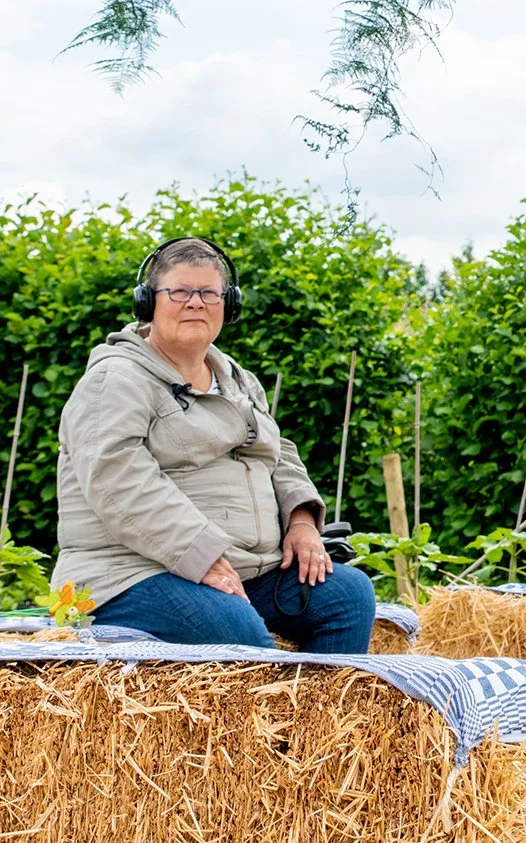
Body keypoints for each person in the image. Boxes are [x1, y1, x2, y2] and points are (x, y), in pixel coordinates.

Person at [52, 237, 377, 650]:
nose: (195, 303)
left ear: (229, 304)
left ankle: (326, 717)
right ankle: (272, 716)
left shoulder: (237, 379)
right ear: (147, 302)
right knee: (234, 629)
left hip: (241, 568)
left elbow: (280, 453)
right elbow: (117, 480)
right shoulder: (114, 380)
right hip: (131, 573)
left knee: (348, 594)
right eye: (179, 292)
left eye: (209, 293)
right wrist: (199, 554)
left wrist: (301, 522)